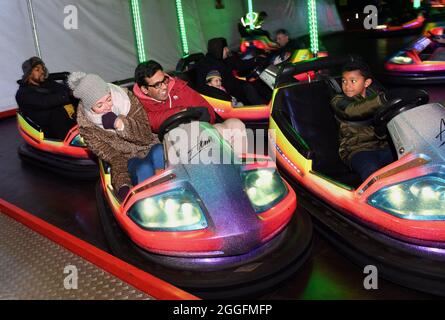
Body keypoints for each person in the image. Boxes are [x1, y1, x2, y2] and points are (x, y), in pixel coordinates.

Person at [68, 72, 162, 201]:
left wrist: (121, 124)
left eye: (108, 99)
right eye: (99, 105)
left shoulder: (127, 100)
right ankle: (153, 202)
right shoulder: (88, 129)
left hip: (150, 145)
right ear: (90, 108)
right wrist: (123, 185)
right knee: (143, 169)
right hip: (128, 160)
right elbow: (115, 159)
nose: (108, 106)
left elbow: (146, 136)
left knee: (160, 151)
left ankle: (169, 187)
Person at [133, 60, 247, 155]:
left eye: (164, 81)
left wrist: (200, 118)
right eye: (158, 85)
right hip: (171, 144)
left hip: (198, 130)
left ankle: (241, 170)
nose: (164, 87)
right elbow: (150, 121)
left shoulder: (178, 87)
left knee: (236, 125)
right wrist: (182, 111)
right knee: (217, 133)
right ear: (144, 89)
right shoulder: (138, 104)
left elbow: (206, 109)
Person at [330, 60, 394, 182]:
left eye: (353, 81)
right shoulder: (338, 100)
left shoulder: (376, 94)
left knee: (409, 158)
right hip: (356, 150)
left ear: (367, 82)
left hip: (383, 146)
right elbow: (352, 110)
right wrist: (382, 100)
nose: (347, 86)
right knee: (371, 170)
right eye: (344, 81)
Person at [15, 56, 76, 140]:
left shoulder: (47, 83)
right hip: (46, 129)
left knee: (76, 100)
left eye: (43, 68)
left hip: (63, 120)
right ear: (28, 74)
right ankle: (73, 139)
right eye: (37, 70)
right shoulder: (23, 93)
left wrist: (73, 92)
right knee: (56, 111)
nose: (42, 71)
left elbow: (62, 89)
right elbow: (45, 102)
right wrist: (66, 95)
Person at [196, 37, 267, 105]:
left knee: (255, 84)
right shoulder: (208, 65)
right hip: (224, 95)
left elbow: (240, 65)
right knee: (248, 87)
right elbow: (214, 86)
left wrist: (255, 60)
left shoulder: (223, 59)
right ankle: (263, 110)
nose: (228, 50)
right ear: (218, 50)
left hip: (233, 87)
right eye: (225, 49)